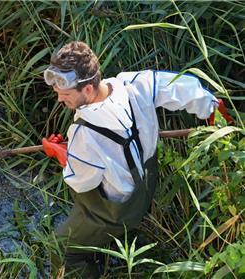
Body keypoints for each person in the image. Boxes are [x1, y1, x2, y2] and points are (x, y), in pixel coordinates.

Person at [41, 41, 229, 278]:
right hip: (147, 188)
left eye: (65, 94)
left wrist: (59, 151)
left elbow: (82, 182)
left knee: (60, 247)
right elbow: (181, 87)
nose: (59, 99)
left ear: (87, 89)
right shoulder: (135, 84)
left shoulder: (83, 133)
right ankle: (105, 247)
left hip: (116, 212)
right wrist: (212, 108)